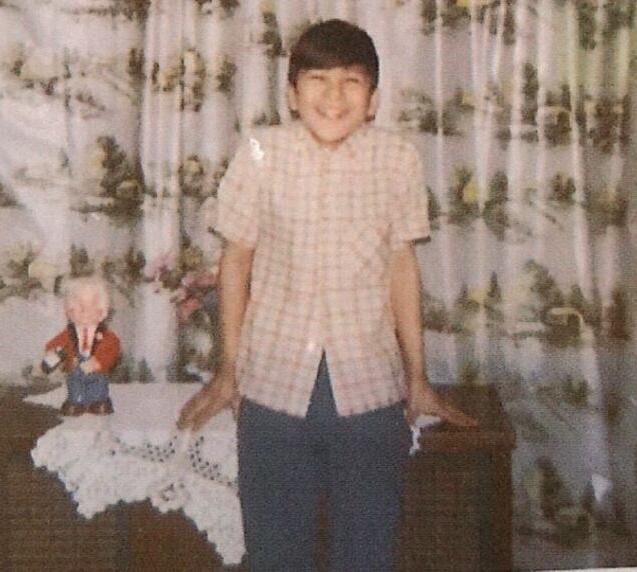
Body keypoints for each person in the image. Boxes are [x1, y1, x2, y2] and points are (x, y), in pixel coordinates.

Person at [178, 18, 477, 571]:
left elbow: (401, 268)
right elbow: (236, 261)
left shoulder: (397, 160)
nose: (334, 97)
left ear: (373, 99)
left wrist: (416, 378)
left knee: (366, 550)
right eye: (317, 80)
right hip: (272, 389)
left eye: (352, 82)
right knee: (275, 551)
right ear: (292, 94)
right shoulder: (261, 153)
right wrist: (228, 371)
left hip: (369, 391)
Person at [43, 276, 120, 415]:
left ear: (102, 312)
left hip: (96, 370)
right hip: (75, 369)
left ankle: (99, 401)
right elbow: (55, 344)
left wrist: (99, 362)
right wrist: (53, 354)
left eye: (88, 308)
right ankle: (75, 401)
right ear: (68, 312)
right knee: (74, 386)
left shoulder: (106, 335)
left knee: (99, 387)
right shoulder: (68, 334)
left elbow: (112, 348)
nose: (82, 313)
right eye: (75, 309)